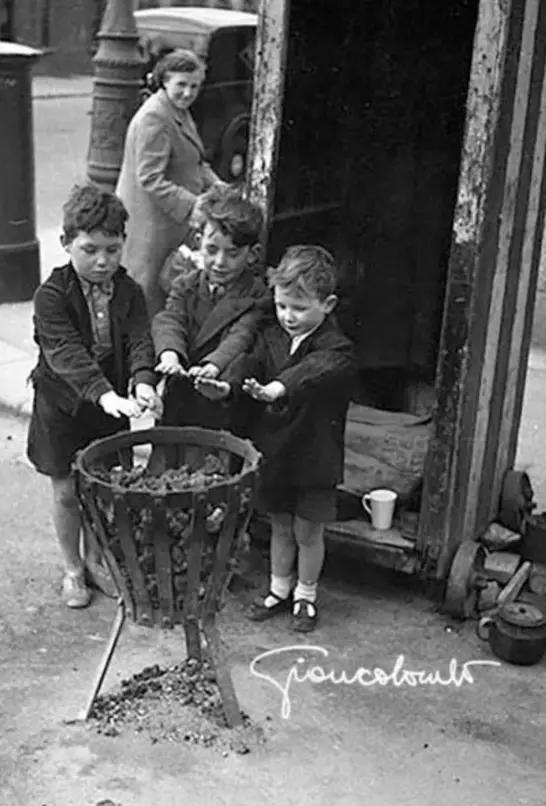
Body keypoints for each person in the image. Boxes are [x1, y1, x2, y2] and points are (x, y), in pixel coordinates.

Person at [195, 245, 356, 632]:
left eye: (300, 309)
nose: (289, 317)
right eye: (283, 306)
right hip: (277, 452)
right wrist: (227, 387)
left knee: (308, 531)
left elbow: (315, 371)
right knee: (280, 526)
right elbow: (247, 364)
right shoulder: (271, 336)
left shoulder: (337, 349)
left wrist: (276, 389)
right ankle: (278, 588)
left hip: (313, 455)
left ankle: (306, 595)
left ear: (328, 304)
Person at [26, 183, 162, 609]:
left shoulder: (129, 291)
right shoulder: (51, 296)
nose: (102, 261)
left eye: (112, 248)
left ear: (124, 243)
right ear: (66, 244)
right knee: (66, 491)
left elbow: (141, 337)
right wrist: (105, 395)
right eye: (90, 249)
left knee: (103, 488)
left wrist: (142, 380)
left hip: (110, 404)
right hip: (63, 406)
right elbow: (65, 353)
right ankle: (72, 569)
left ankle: (96, 559)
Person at [116, 48, 224, 316]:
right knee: (150, 294)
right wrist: (193, 205)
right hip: (153, 226)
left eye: (195, 86)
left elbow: (194, 161)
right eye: (182, 85)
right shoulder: (155, 117)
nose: (188, 93)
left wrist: (218, 185)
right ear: (165, 81)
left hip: (170, 222)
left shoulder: (176, 110)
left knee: (167, 292)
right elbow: (150, 178)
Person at [152, 184, 268, 434]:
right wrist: (170, 354)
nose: (219, 262)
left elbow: (241, 335)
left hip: (223, 392)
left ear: (252, 254)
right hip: (181, 388)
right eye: (212, 250)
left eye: (232, 253)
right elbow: (171, 320)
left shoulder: (256, 294)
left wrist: (213, 366)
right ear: (198, 242)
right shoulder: (185, 284)